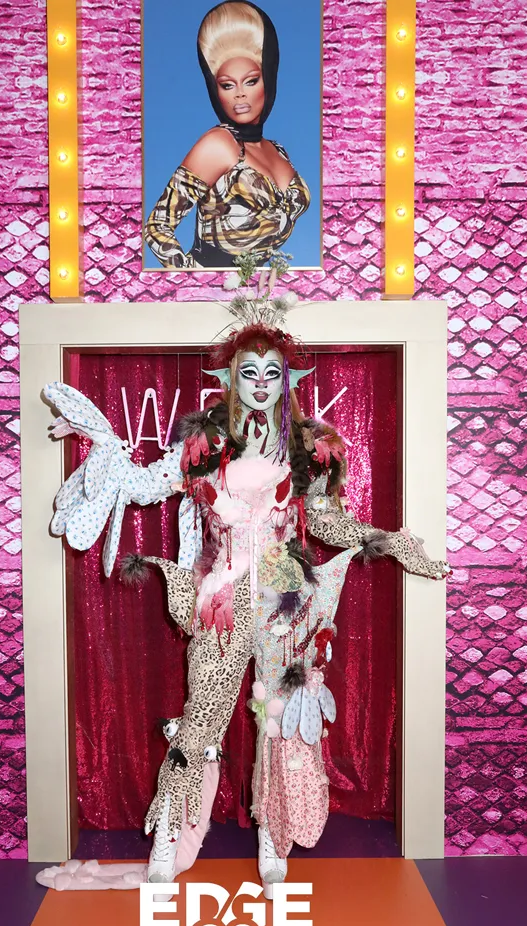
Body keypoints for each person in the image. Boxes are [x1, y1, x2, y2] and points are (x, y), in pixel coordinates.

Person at [42, 315, 449, 895]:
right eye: (249, 371)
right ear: (231, 378)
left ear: (287, 380)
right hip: (222, 597)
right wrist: (101, 441)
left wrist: (385, 540)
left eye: (271, 372)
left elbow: (325, 522)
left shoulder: (307, 449)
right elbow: (146, 486)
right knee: (202, 714)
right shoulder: (204, 445)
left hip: (285, 596)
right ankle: (171, 839)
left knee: (279, 718)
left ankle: (272, 840)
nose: (260, 382)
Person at [144, 1, 311, 269]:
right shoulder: (218, 144)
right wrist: (195, 283)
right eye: (227, 85)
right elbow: (157, 227)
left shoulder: (277, 150)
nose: (240, 94)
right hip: (211, 290)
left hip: (258, 288)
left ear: (268, 79)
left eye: (251, 81)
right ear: (216, 89)